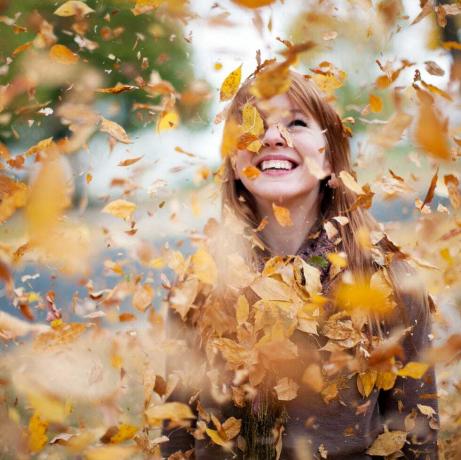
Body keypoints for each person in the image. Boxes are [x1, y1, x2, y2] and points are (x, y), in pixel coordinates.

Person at [160, 67, 439, 459]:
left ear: (329, 161)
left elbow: (418, 439)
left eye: (296, 122)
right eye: (253, 123)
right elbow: (175, 435)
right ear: (235, 163)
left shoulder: (388, 281)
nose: (273, 136)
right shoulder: (198, 284)